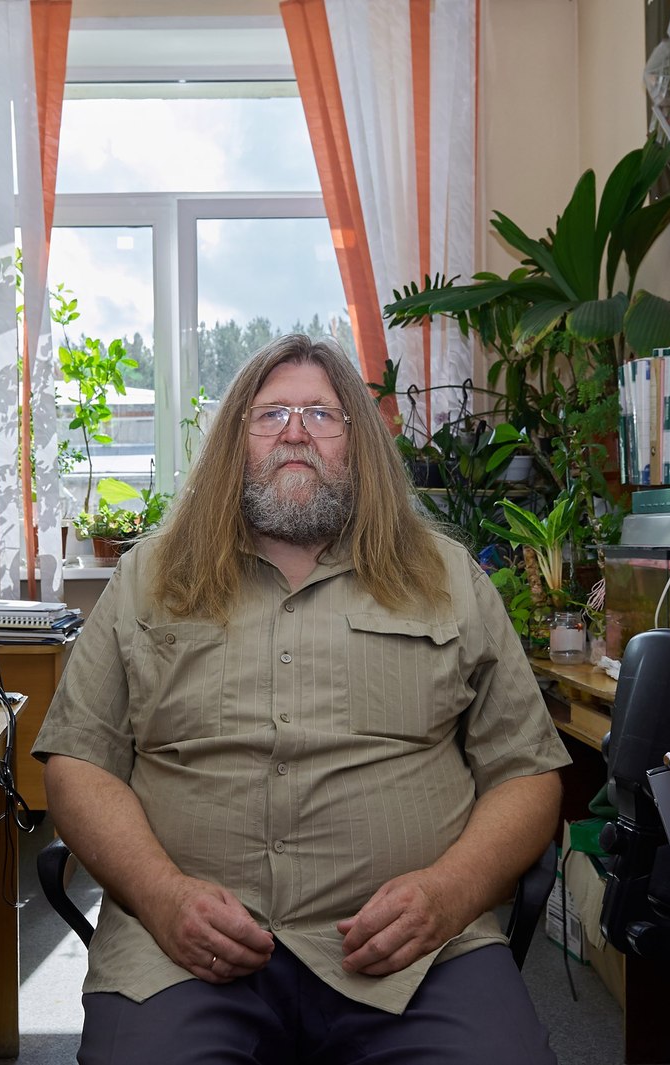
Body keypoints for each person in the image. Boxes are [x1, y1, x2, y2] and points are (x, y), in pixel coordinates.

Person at [33, 334, 570, 1064]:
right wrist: (161, 897)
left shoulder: (446, 578)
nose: (294, 430)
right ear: (235, 440)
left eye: (321, 413)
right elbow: (77, 762)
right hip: (181, 955)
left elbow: (528, 772)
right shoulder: (148, 577)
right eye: (271, 414)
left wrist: (448, 892)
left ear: (359, 443)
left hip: (417, 957)